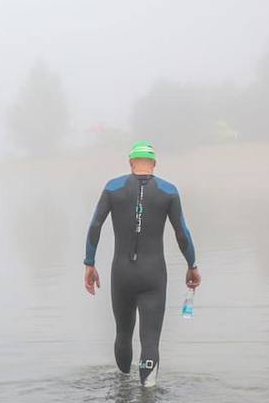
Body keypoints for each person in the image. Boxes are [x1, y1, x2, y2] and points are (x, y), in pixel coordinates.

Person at [83, 141, 199, 386]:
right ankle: (148, 396)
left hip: (122, 274)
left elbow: (95, 225)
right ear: (154, 164)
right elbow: (182, 233)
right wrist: (192, 265)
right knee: (150, 340)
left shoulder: (113, 187)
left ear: (131, 163)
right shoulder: (168, 191)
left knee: (123, 334)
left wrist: (89, 264)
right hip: (153, 275)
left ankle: (123, 388)